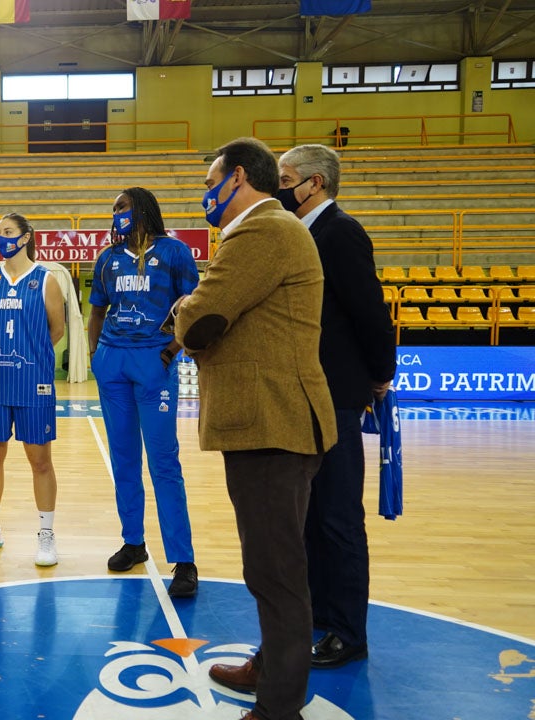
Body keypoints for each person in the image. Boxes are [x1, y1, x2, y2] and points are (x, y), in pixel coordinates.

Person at [173, 137, 337, 720]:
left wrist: (183, 305)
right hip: (274, 422)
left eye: (210, 180)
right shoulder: (271, 229)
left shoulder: (261, 229)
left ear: (237, 176)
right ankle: (270, 667)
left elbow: (203, 320)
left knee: (276, 571)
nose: (205, 193)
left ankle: (279, 708)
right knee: (274, 563)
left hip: (273, 422)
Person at [277, 144, 396, 669]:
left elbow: (370, 311)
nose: (279, 187)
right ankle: (323, 617)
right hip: (307, 395)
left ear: (315, 183)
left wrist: (379, 374)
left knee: (340, 518)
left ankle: (348, 631)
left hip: (338, 396)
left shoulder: (340, 232)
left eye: (285, 178)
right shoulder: (305, 233)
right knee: (314, 516)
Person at [87, 186, 200, 597]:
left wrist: (173, 350)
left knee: (163, 461)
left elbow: (193, 305)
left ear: (142, 210)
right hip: (113, 362)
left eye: (121, 207)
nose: (115, 213)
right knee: (123, 458)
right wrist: (96, 355)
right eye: (113, 207)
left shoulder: (174, 253)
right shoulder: (108, 259)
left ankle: (184, 560)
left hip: (154, 360)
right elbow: (97, 309)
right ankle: (133, 541)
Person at [0, 213, 66, 566]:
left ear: (25, 237)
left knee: (40, 461)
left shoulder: (47, 280)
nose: (1, 238)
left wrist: (30, 355)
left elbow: (57, 330)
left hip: (33, 382)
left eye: (7, 232)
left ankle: (46, 535)